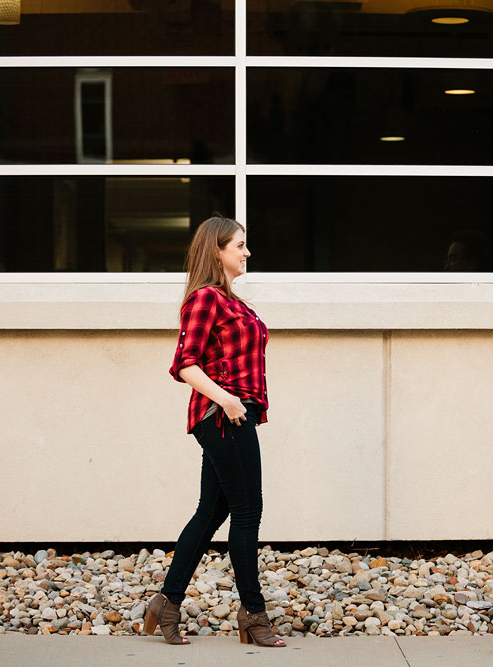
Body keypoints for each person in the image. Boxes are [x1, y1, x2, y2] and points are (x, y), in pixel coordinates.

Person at [141, 216, 285, 648]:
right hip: (224, 417)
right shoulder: (205, 299)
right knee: (246, 512)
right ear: (217, 251)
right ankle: (254, 615)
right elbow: (184, 364)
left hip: (236, 415)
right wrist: (226, 399)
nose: (246, 252)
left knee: (212, 512)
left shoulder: (233, 301)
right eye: (239, 245)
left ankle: (166, 603)